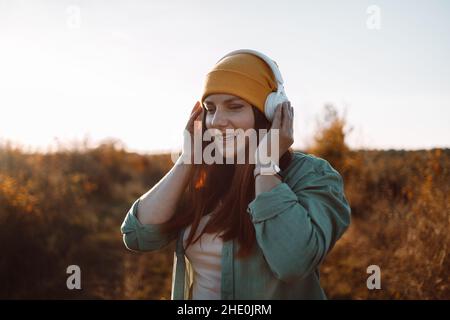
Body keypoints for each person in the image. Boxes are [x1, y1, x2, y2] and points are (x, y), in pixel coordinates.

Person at [120, 49, 351, 300]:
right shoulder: (203, 176)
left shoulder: (312, 175)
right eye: (210, 108)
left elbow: (292, 263)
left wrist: (265, 165)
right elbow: (137, 236)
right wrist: (188, 160)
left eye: (234, 106)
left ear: (270, 112)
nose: (217, 120)